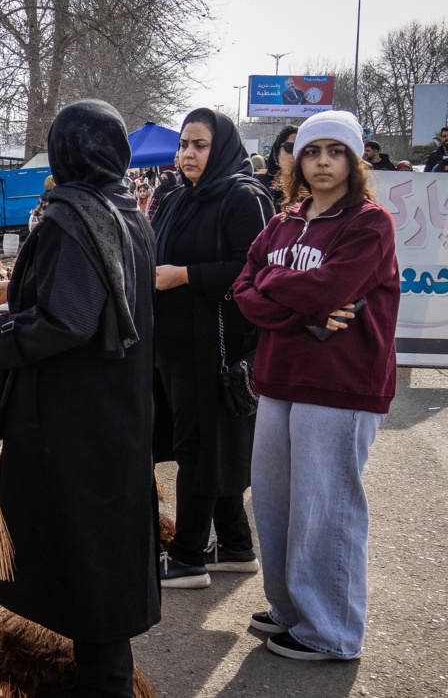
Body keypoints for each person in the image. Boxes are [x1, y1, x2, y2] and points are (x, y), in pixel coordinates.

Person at [0, 100, 159, 698]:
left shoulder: (72, 217)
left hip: (74, 426)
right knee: (100, 565)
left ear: (69, 151)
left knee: (87, 570)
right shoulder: (125, 212)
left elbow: (67, 321)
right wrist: (12, 288)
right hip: (115, 417)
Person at [233, 110, 398, 661]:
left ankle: (331, 632)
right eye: (311, 151)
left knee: (325, 509)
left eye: (334, 150)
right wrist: (298, 310)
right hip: (279, 378)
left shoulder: (370, 223)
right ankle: (290, 611)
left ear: (354, 159)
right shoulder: (282, 222)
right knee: (277, 503)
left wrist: (274, 285)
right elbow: (242, 289)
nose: (322, 161)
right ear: (297, 161)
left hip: (342, 384)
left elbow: (332, 286)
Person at [150, 108, 274, 589]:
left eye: (198, 145)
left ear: (219, 147)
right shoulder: (181, 197)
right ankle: (237, 546)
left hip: (214, 347)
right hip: (174, 347)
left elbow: (257, 269)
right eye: (183, 145)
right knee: (203, 445)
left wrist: (186, 276)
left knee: (198, 450)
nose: (187, 154)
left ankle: (187, 557)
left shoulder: (243, 196)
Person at [256, 125, 299, 210]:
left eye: (302, 150)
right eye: (290, 148)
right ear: (276, 152)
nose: (295, 155)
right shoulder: (258, 185)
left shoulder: (317, 190)